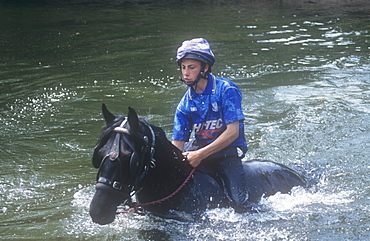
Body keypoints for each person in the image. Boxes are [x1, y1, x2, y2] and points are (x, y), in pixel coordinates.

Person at [171, 38, 250, 212]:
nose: (186, 73)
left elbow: (232, 133)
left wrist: (200, 155)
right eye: (183, 67)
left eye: (191, 67)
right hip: (199, 149)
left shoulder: (227, 90)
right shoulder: (184, 104)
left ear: (205, 68)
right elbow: (177, 144)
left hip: (227, 153)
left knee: (238, 202)